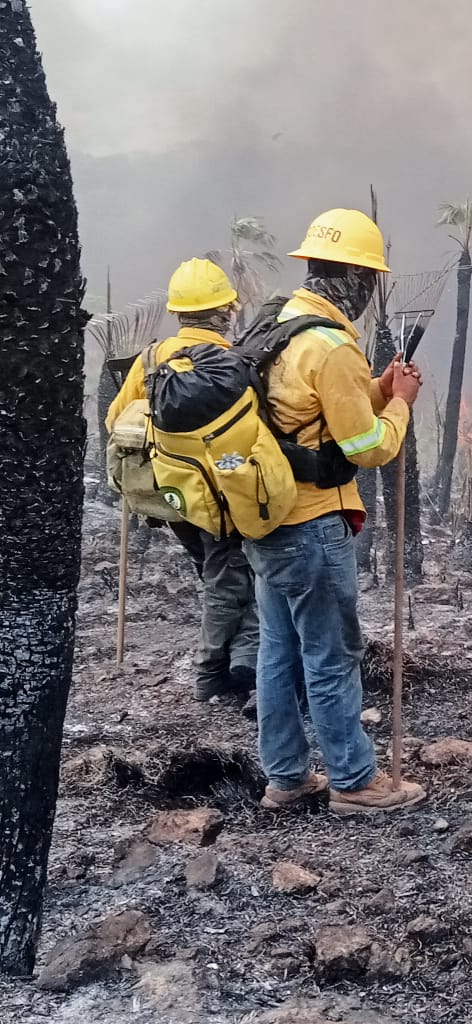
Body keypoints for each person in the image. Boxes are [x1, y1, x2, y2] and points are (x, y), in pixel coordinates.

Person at [243, 208, 426, 817]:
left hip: (264, 517)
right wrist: (399, 404)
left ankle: (287, 778)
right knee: (330, 654)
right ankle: (354, 780)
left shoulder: (276, 327)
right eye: (368, 277)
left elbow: (309, 417)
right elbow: (367, 447)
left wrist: (377, 388)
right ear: (355, 278)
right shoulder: (331, 347)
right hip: (312, 524)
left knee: (278, 652)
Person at [106, 257, 261, 707]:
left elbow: (119, 418)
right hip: (221, 493)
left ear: (178, 312)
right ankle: (213, 673)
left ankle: (241, 663)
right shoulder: (232, 362)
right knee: (230, 575)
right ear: (226, 311)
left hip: (168, 494)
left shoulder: (153, 356)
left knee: (222, 573)